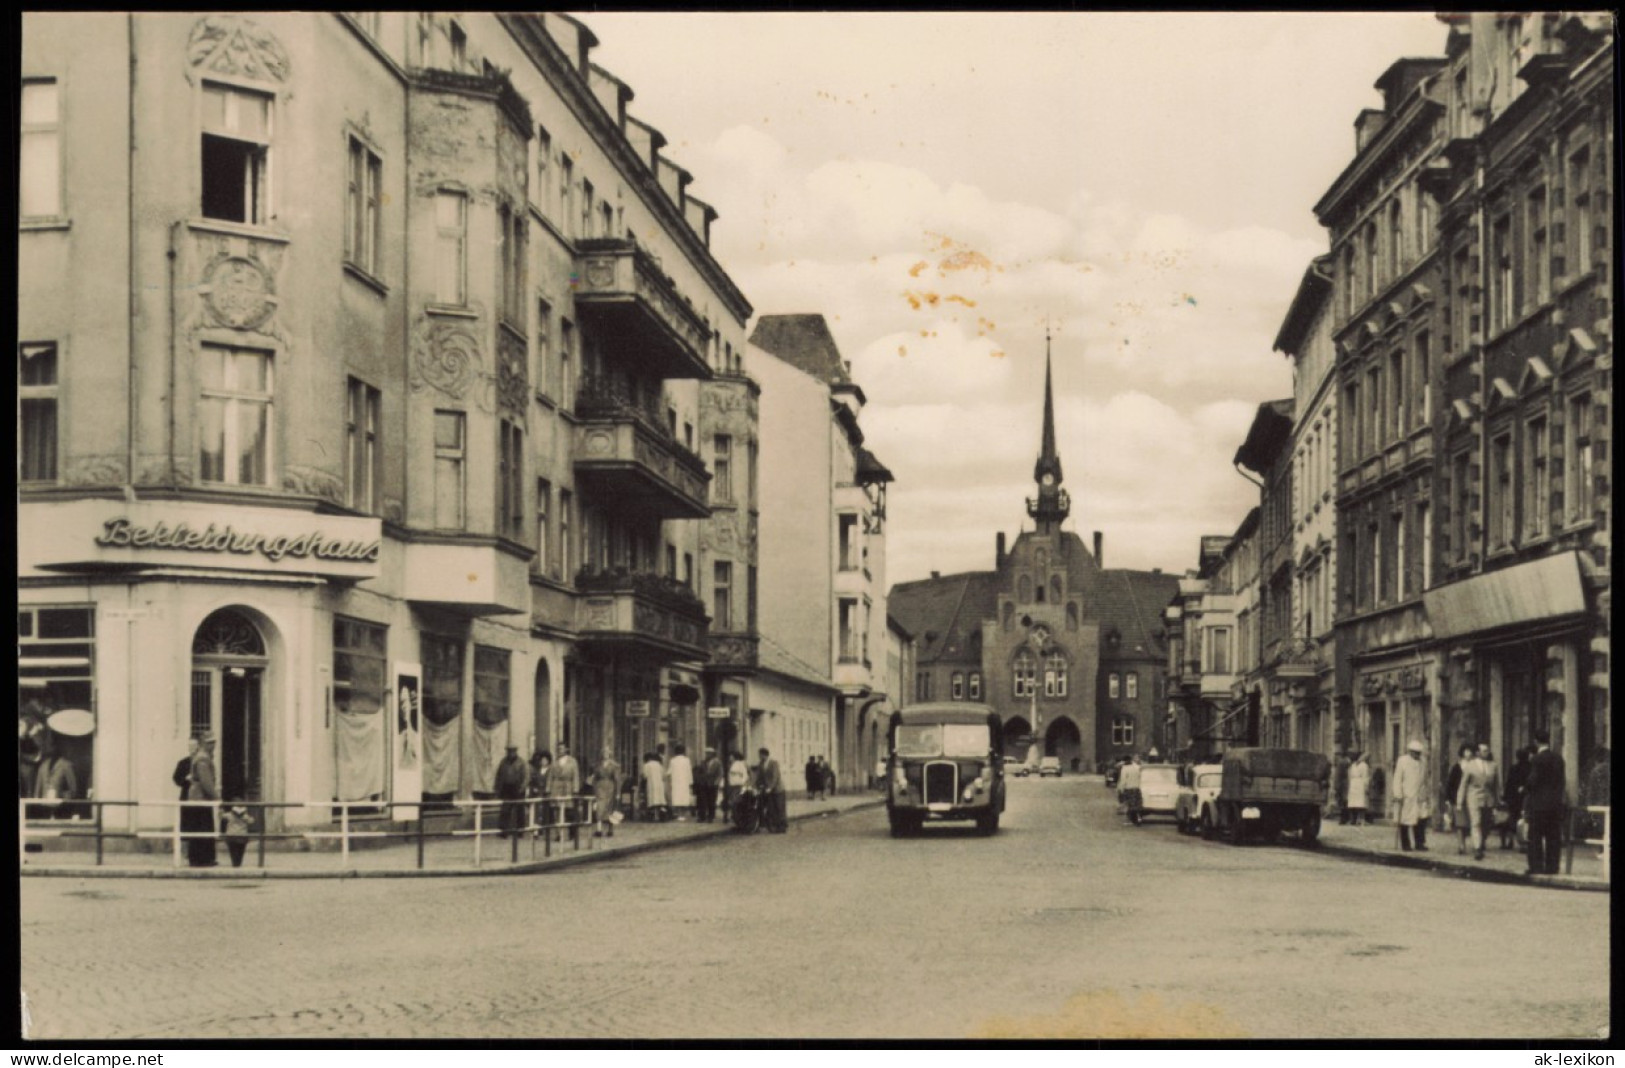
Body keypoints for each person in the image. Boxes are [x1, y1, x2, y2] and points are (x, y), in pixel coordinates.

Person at [1524, 729, 1566, 875]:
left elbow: (1533, 781)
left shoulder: (1536, 759)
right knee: (1553, 837)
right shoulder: (1559, 758)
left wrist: (1526, 787)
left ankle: (1536, 867)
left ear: (1536, 741)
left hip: (1539, 804)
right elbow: (1561, 781)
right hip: (1555, 804)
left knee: (1535, 837)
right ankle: (1552, 867)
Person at [1457, 742, 1501, 861]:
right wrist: (1459, 801)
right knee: (1475, 822)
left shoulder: (1493, 766)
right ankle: (1477, 849)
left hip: (1488, 798)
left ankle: (1481, 842)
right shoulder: (1470, 765)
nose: (1486, 753)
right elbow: (1463, 784)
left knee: (1486, 823)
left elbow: (1497, 785)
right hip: (1473, 797)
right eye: (1483, 750)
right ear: (1477, 752)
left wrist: (1498, 800)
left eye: (1487, 750)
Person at [1390, 739, 1431, 852]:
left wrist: (1425, 793)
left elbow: (1425, 779)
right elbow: (1397, 778)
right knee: (1405, 820)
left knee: (1421, 819)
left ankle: (1419, 843)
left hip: (1420, 795)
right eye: (1414, 752)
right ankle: (1405, 844)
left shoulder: (1423, 762)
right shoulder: (1402, 761)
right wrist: (1398, 793)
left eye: (1418, 753)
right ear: (1410, 751)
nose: (1416, 754)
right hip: (1407, 794)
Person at [185, 732, 219, 868]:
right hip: (200, 799)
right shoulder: (203, 759)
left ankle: (201, 858)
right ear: (204, 743)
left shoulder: (202, 758)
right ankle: (201, 859)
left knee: (201, 828)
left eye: (214, 742)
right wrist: (216, 797)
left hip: (199, 798)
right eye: (210, 742)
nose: (213, 745)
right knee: (202, 828)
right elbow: (206, 782)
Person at [494, 744, 529, 840]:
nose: (511, 753)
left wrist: (522, 788)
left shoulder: (521, 762)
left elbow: (526, 777)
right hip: (506, 789)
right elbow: (499, 775)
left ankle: (520, 831)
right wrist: (497, 788)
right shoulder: (503, 762)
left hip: (517, 788)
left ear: (516, 752)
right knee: (505, 810)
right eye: (509, 751)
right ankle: (503, 831)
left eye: (513, 751)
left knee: (519, 810)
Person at [1445, 744, 1474, 854]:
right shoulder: (1457, 767)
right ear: (1462, 753)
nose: (1469, 753)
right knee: (1460, 823)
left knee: (1468, 824)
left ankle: (1464, 842)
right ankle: (1461, 845)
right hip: (1457, 799)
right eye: (1466, 751)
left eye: (1470, 751)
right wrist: (1448, 798)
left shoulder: (1475, 767)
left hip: (1470, 798)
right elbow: (1450, 783)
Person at [549, 743, 582, 835]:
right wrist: (548, 789)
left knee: (569, 811)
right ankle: (558, 833)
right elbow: (550, 777)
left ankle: (572, 832)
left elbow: (575, 775)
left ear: (566, 750)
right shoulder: (555, 762)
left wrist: (575, 789)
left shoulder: (572, 761)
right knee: (557, 811)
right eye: (558, 749)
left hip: (568, 787)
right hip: (556, 787)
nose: (560, 751)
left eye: (562, 749)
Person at [1503, 746, 1532, 850]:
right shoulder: (1531, 768)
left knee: (1512, 819)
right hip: (1526, 797)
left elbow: (1509, 783)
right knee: (1524, 819)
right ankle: (1523, 843)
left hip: (1514, 798)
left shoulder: (1513, 768)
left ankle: (1510, 841)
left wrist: (1506, 798)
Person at [591, 747, 621, 838]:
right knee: (599, 808)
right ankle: (599, 830)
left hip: (610, 787)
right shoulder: (598, 765)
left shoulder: (614, 766)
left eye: (607, 753)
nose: (605, 754)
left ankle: (610, 829)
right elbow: (595, 778)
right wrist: (594, 788)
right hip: (600, 787)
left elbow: (617, 780)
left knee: (610, 808)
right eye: (604, 752)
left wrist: (618, 792)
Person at [756, 747, 787, 833]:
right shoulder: (761, 764)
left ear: (764, 754)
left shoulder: (773, 763)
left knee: (779, 808)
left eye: (760, 754)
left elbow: (775, 777)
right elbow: (759, 777)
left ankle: (782, 827)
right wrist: (757, 786)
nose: (759, 756)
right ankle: (775, 826)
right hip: (768, 790)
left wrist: (770, 787)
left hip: (778, 789)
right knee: (771, 808)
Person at [220, 796, 254, 869]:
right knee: (240, 851)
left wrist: (221, 809)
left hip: (231, 835)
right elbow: (251, 821)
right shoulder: (245, 816)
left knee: (232, 851)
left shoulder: (229, 815)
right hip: (242, 835)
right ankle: (238, 863)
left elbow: (222, 816)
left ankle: (234, 863)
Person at [695, 747, 722, 823]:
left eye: (709, 753)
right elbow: (699, 772)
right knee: (702, 800)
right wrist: (700, 779)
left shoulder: (717, 763)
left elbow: (720, 774)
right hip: (704, 783)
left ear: (713, 754)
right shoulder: (703, 762)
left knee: (712, 801)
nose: (707, 755)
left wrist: (717, 782)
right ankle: (702, 816)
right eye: (706, 753)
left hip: (712, 784)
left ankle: (711, 816)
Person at [667, 744, 694, 821]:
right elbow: (689, 772)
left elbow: (669, 772)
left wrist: (669, 781)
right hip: (684, 781)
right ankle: (683, 814)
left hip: (676, 781)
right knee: (684, 797)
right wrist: (690, 782)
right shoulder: (687, 760)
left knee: (677, 797)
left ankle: (679, 814)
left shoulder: (672, 761)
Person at [1345, 752, 1371, 826]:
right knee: (1361, 803)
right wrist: (1366, 786)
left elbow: (1349, 775)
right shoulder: (1364, 766)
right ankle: (1360, 819)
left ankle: (1354, 819)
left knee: (1354, 802)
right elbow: (1365, 776)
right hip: (1360, 783)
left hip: (1353, 783)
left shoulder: (1353, 765)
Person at [642, 751, 668, 821]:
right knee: (659, 800)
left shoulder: (647, 765)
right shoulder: (659, 765)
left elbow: (645, 776)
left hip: (651, 784)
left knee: (653, 800)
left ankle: (655, 816)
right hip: (660, 784)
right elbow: (663, 775)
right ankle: (659, 816)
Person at [1118, 754, 1143, 825]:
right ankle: (1138, 818)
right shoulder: (1137, 767)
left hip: (1129, 789)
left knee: (1129, 805)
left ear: (1125, 761)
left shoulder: (1125, 768)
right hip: (1137, 788)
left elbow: (1123, 780)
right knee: (1137, 805)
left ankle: (1129, 820)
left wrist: (1121, 789)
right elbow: (1140, 776)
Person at [725, 750, 749, 820]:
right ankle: (735, 815)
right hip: (731, 785)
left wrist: (742, 782)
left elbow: (745, 775)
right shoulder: (731, 764)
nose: (730, 757)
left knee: (736, 801)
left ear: (734, 757)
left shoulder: (739, 764)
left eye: (731, 756)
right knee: (732, 801)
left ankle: (738, 816)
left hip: (737, 785)